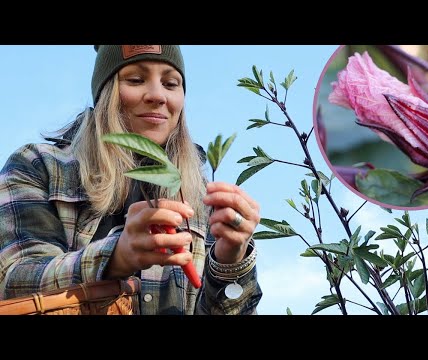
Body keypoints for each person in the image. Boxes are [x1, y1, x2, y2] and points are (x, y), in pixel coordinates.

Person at [0, 45, 262, 315]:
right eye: (136, 80)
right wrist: (114, 257)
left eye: (171, 83)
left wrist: (231, 261)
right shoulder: (38, 165)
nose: (158, 95)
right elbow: (14, 280)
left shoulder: (200, 198)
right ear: (105, 92)